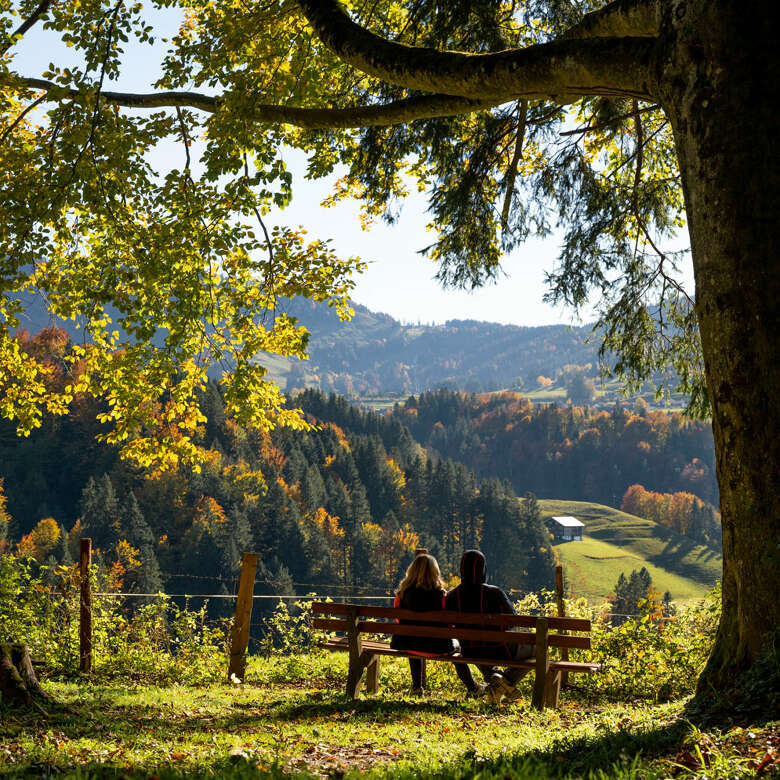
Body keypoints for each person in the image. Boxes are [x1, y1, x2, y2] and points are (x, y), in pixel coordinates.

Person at [444, 549, 533, 703]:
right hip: (500, 649)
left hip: (470, 649)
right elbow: (513, 620)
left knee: (479, 647)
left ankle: (496, 684)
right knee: (538, 648)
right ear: (483, 569)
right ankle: (504, 682)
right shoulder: (494, 593)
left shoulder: (452, 596)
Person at [391, 553, 456, 694]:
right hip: (437, 647)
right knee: (456, 643)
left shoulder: (402, 594)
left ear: (411, 570)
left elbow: (398, 620)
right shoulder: (442, 596)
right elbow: (449, 624)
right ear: (435, 572)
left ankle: (416, 687)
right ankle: (472, 687)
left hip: (407, 644)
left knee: (413, 638)